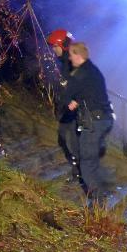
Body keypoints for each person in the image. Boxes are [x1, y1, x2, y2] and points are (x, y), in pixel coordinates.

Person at [60, 42, 114, 203]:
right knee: (93, 159)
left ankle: (98, 203)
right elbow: (88, 92)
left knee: (87, 163)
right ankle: (102, 191)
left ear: (78, 55)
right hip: (105, 120)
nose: (69, 58)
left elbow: (65, 96)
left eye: (70, 55)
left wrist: (70, 100)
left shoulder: (80, 75)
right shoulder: (94, 71)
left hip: (93, 123)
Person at [47, 29, 80, 183]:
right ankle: (78, 172)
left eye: (55, 46)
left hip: (78, 110)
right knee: (67, 140)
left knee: (72, 141)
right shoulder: (64, 61)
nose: (53, 49)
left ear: (63, 45)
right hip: (70, 109)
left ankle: (80, 174)